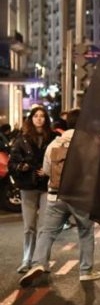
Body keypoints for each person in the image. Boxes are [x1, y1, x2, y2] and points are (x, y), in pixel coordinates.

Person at [18, 108, 100, 287]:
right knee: (86, 232)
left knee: (47, 232)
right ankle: (86, 271)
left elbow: (48, 170)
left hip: (55, 196)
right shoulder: (90, 143)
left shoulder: (55, 143)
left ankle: (38, 263)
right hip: (80, 196)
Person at [10, 107, 56, 274]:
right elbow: (12, 162)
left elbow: (59, 160)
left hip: (46, 186)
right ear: (31, 118)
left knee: (44, 226)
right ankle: (26, 260)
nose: (39, 119)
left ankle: (42, 261)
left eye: (42, 116)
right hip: (28, 186)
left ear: (46, 119)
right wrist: (22, 166)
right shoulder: (21, 139)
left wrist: (48, 170)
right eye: (36, 116)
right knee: (29, 226)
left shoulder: (53, 137)